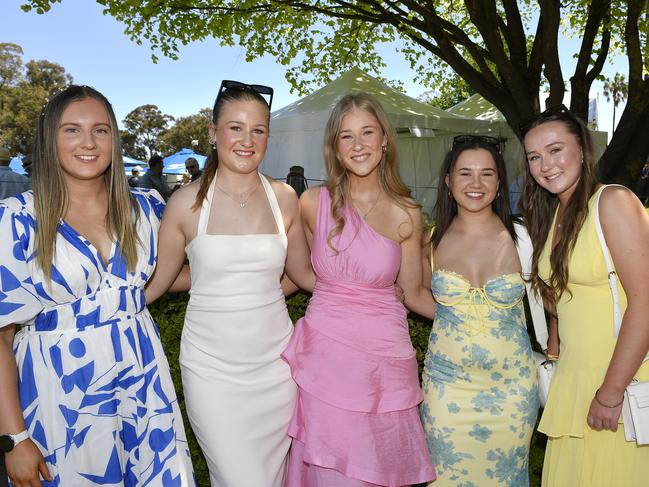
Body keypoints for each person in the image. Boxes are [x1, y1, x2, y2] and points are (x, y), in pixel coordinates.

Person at [0, 85, 194, 486]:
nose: (88, 142)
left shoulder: (147, 208)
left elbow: (167, 278)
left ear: (114, 139)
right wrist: (14, 438)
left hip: (142, 383)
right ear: (51, 139)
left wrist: (254, 279)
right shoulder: (17, 220)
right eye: (72, 130)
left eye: (101, 130)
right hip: (62, 395)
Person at [144, 80, 314, 487]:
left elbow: (303, 275)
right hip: (211, 371)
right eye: (235, 127)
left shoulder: (285, 197)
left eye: (258, 130)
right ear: (212, 131)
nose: (247, 139)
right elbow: (160, 281)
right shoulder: (184, 202)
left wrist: (368, 286)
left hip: (276, 368)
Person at [282, 92, 437, 486]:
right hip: (327, 355)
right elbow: (297, 272)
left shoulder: (408, 212)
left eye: (367, 132)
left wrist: (477, 318)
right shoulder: (312, 202)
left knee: (378, 469)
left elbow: (415, 293)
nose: (358, 145)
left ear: (385, 138)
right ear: (335, 147)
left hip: (385, 360)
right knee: (330, 469)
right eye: (346, 136)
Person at [520, 106, 649, 486]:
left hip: (619, 381)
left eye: (556, 150)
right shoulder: (552, 215)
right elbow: (565, 295)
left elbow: (645, 301)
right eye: (534, 157)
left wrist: (610, 393)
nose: (545, 165)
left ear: (582, 150)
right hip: (574, 382)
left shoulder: (612, 202)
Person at [420, 135, 540, 486]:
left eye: (487, 174)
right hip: (446, 391)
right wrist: (457, 317)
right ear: (448, 181)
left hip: (513, 392)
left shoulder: (524, 237)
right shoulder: (430, 240)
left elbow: (552, 301)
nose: (476, 184)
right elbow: (411, 294)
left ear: (500, 184)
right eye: (465, 173)